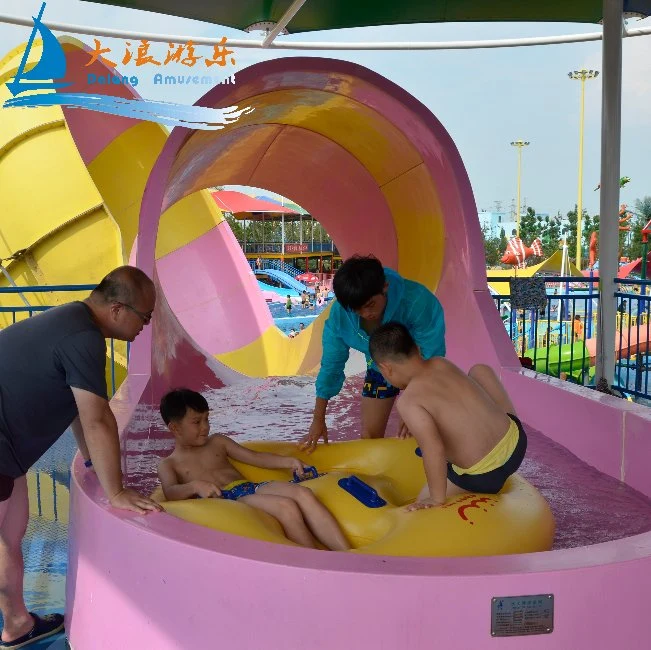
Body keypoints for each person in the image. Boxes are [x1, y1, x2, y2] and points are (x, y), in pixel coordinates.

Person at [0, 266, 162, 648]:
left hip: (8, 450)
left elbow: (76, 407)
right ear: (119, 309)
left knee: (10, 534)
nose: (146, 326)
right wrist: (117, 492)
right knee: (4, 541)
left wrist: (93, 462)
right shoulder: (83, 337)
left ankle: (18, 623)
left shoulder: (72, 321)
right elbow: (98, 419)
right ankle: (15, 625)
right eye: (146, 316)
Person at [157, 389, 349, 551]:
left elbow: (255, 457)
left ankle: (347, 553)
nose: (205, 427)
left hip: (249, 487)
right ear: (175, 428)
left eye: (207, 419)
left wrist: (289, 462)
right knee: (286, 507)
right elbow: (170, 492)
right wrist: (194, 486)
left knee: (303, 493)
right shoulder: (169, 464)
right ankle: (313, 561)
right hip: (229, 500)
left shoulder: (217, 442)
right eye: (197, 422)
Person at [368, 322, 526, 511]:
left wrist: (436, 499)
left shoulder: (408, 402)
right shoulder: (440, 363)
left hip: (485, 475)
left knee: (418, 503)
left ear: (386, 369)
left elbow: (433, 449)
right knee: (479, 370)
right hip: (517, 443)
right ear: (417, 349)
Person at [299, 255, 446, 453]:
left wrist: (417, 399)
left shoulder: (416, 301)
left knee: (418, 429)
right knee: (369, 438)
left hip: (420, 369)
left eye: (370, 305)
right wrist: (318, 419)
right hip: (380, 368)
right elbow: (331, 366)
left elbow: (432, 353)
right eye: (356, 309)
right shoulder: (340, 316)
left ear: (384, 287)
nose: (365, 314)